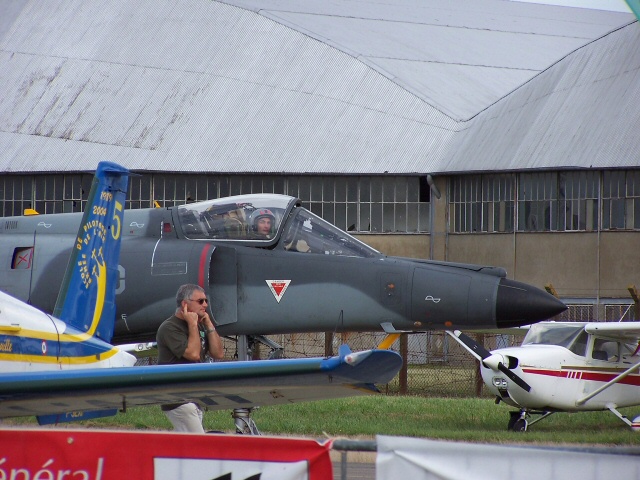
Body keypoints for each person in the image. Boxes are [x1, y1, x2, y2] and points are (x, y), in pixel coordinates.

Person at [156, 283, 224, 433]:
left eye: (206, 301)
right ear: (185, 304)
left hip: (193, 398)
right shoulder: (169, 328)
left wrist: (208, 324)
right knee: (199, 447)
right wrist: (193, 324)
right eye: (200, 301)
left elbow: (218, 353)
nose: (205, 305)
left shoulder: (198, 325)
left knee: (185, 447)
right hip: (178, 401)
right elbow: (193, 355)